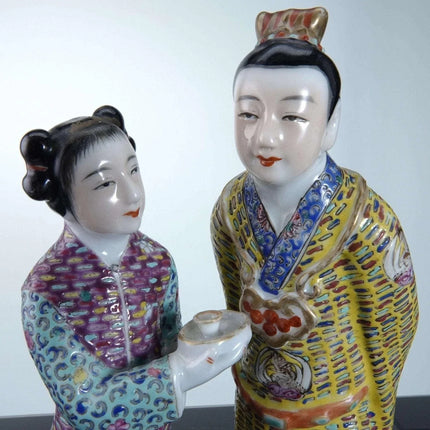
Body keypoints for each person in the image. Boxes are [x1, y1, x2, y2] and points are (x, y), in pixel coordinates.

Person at [211, 7, 418, 430]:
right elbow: (235, 302)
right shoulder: (230, 208)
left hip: (339, 412)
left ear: (330, 123)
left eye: (292, 117)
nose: (264, 136)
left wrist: (379, 410)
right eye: (249, 113)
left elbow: (392, 325)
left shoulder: (364, 220)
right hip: (254, 404)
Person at [21, 106, 249, 430]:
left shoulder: (157, 263)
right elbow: (83, 404)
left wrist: (203, 341)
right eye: (105, 184)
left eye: (133, 170)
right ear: (62, 195)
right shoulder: (45, 290)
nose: (133, 193)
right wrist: (181, 371)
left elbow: (169, 344)